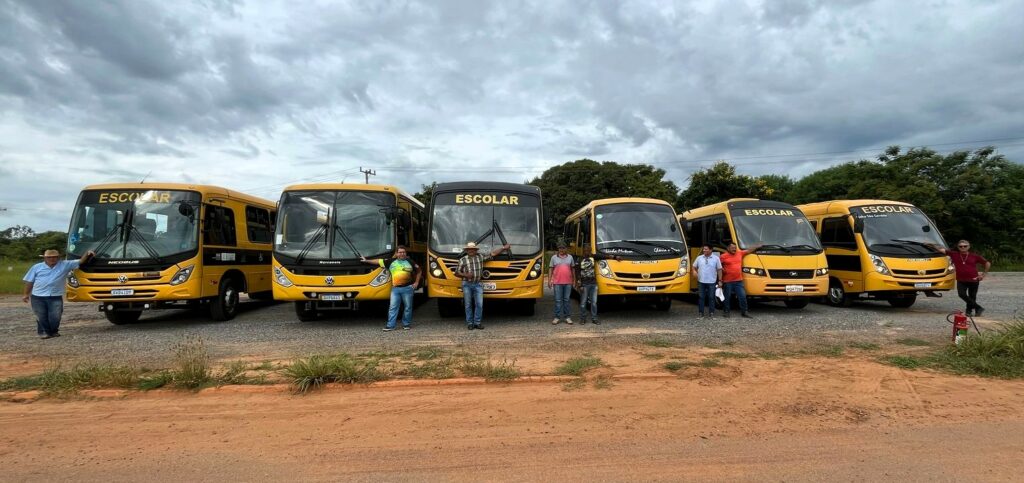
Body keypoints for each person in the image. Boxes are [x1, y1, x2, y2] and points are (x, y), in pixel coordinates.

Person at [22, 249, 95, 339]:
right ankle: (44, 332)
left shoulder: (65, 265)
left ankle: (53, 331)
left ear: (58, 258)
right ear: (45, 258)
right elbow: (29, 281)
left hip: (55, 296)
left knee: (56, 316)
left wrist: (87, 253)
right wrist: (26, 294)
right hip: (38, 296)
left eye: (54, 257)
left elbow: (81, 261)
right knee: (41, 315)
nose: (52, 259)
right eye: (49, 257)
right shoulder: (36, 267)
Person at [360, 246, 421, 331]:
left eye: (403, 252)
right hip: (395, 289)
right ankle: (390, 326)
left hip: (408, 288)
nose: (402, 254)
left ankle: (406, 324)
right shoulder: (390, 262)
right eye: (400, 252)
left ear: (405, 253)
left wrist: (416, 282)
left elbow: (419, 271)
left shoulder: (410, 262)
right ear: (396, 253)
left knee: (408, 307)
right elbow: (378, 261)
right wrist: (366, 260)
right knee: (393, 307)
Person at [455, 241, 511, 330]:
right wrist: (466, 275)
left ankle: (477, 323)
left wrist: (504, 248)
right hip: (467, 285)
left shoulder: (480, 257)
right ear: (467, 250)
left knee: (479, 304)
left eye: (473, 249)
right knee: (468, 305)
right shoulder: (462, 260)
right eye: (469, 249)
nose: (471, 251)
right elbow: (457, 273)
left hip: (478, 284)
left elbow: (493, 254)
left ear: (475, 250)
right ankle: (470, 323)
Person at [929, 240, 991, 316]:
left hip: (974, 280)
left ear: (969, 246)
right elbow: (941, 250)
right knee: (962, 294)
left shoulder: (974, 256)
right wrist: (931, 245)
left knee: (972, 296)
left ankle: (969, 312)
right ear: (958, 247)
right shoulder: (954, 254)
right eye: (961, 246)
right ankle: (978, 307)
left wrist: (983, 275)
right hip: (961, 280)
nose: (963, 247)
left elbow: (987, 263)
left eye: (965, 246)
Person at [574, 243, 620, 325]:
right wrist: (579, 284)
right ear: (583, 250)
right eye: (586, 250)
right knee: (583, 303)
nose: (588, 252)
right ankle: (582, 318)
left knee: (594, 303)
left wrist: (615, 257)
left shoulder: (593, 257)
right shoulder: (579, 259)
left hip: (593, 284)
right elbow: (577, 273)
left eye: (589, 250)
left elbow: (604, 256)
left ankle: (594, 318)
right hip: (584, 284)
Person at [718, 242, 762, 318]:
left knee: (742, 296)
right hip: (727, 281)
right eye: (732, 248)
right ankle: (726, 311)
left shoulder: (739, 253)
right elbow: (718, 266)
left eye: (735, 248)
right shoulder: (723, 256)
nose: (734, 249)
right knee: (727, 297)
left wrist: (757, 246)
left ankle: (744, 312)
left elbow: (749, 250)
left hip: (738, 281)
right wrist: (720, 278)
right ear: (728, 248)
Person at [691, 244, 722, 318]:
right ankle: (701, 313)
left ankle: (711, 313)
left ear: (711, 250)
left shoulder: (716, 258)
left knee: (711, 297)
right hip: (701, 281)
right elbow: (693, 266)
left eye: (706, 249)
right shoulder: (699, 258)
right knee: (701, 297)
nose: (704, 250)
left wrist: (720, 280)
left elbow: (719, 269)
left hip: (712, 281)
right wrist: (694, 271)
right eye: (704, 249)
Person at [548, 242, 575, 325]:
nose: (561, 250)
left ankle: (567, 317)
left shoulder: (570, 257)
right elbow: (550, 269)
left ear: (566, 249)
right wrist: (549, 280)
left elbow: (573, 269)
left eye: (563, 248)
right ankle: (557, 317)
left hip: (568, 283)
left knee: (566, 300)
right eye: (560, 248)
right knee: (558, 301)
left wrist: (574, 280)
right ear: (558, 249)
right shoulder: (553, 258)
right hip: (557, 283)